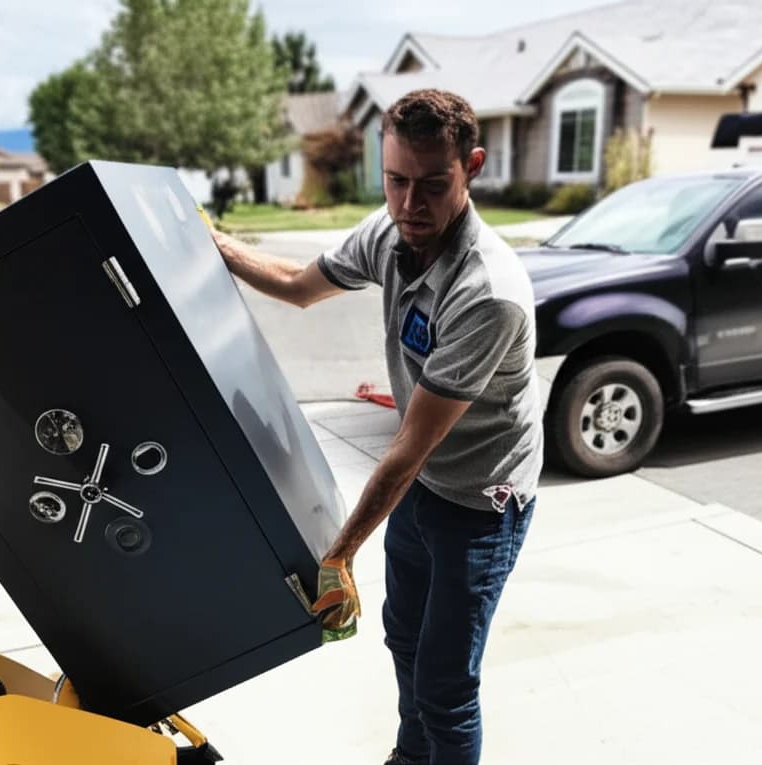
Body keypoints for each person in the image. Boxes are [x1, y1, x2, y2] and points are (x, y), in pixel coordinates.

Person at [210, 89, 542, 765]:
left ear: (471, 166)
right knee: (405, 640)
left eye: (432, 185)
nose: (410, 206)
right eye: (395, 182)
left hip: (482, 501)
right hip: (424, 489)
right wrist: (211, 244)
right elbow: (300, 286)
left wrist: (339, 553)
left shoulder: (488, 293)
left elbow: (409, 448)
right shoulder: (390, 233)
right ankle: (411, 756)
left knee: (447, 683)